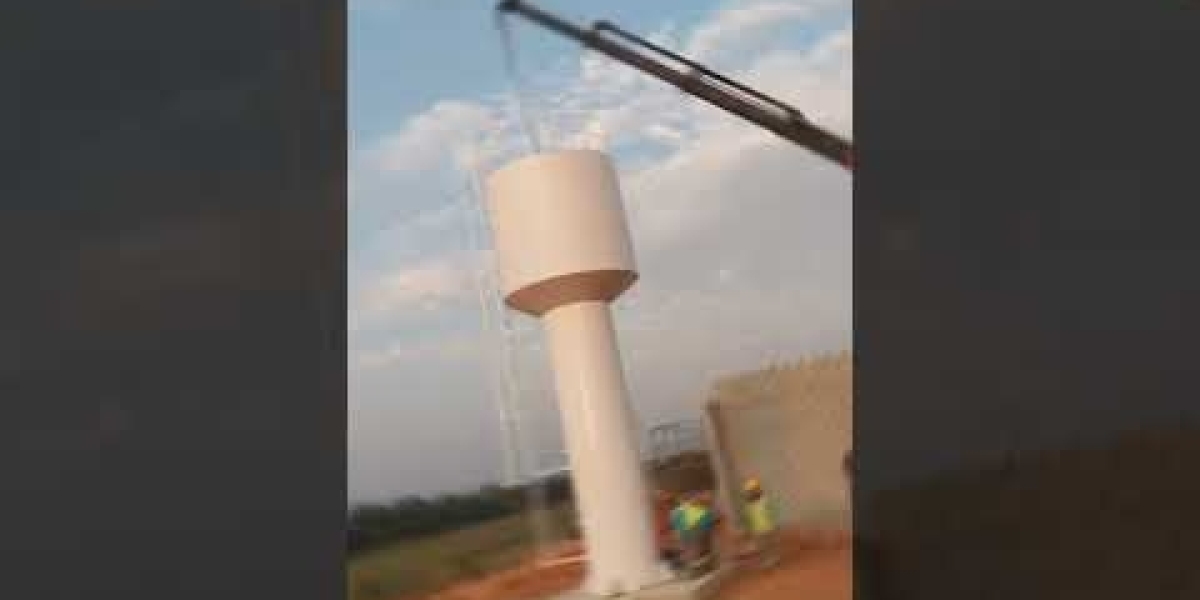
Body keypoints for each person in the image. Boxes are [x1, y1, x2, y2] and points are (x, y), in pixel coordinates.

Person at [669, 491, 718, 578]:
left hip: (688, 532)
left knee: (692, 549)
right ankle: (696, 566)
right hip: (690, 532)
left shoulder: (677, 512)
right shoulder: (704, 513)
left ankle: (695, 566)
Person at [740, 477, 780, 568]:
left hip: (768, 527)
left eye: (754, 490)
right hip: (757, 530)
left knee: (770, 544)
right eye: (750, 491)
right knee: (762, 546)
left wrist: (774, 524)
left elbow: (771, 512)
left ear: (758, 490)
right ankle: (766, 560)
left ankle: (772, 558)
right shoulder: (748, 506)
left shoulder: (764, 500)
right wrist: (748, 530)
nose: (752, 493)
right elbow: (748, 518)